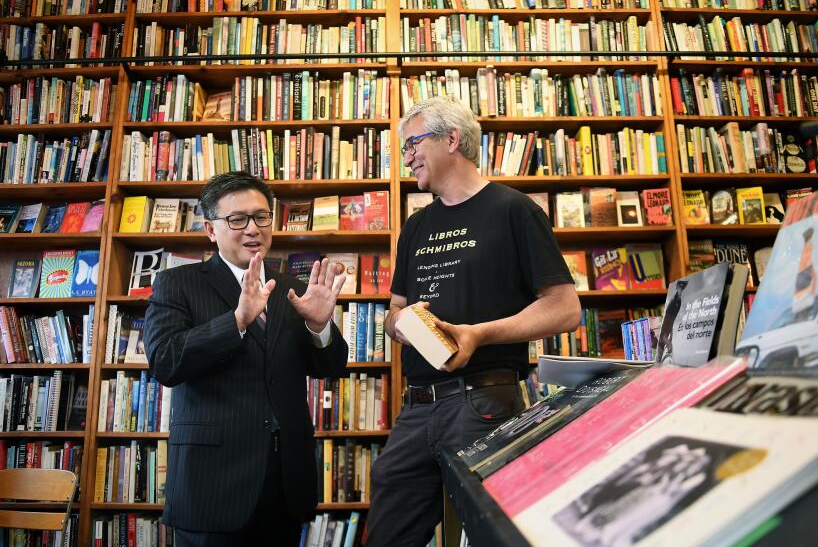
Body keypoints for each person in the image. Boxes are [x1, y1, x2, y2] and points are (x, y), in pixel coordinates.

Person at [366, 95, 582, 546]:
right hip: (417, 407)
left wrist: (479, 334)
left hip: (483, 404)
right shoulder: (416, 226)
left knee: (493, 535)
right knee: (387, 530)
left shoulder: (514, 210)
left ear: (452, 138)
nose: (406, 159)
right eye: (403, 150)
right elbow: (393, 313)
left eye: (412, 145)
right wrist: (402, 323)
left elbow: (564, 308)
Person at [144, 172, 349, 546]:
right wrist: (236, 321)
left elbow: (331, 368)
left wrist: (320, 327)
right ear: (210, 229)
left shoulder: (294, 289)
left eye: (261, 216)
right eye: (237, 219)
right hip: (213, 485)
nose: (253, 228)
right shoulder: (179, 284)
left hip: (285, 483)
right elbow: (165, 361)